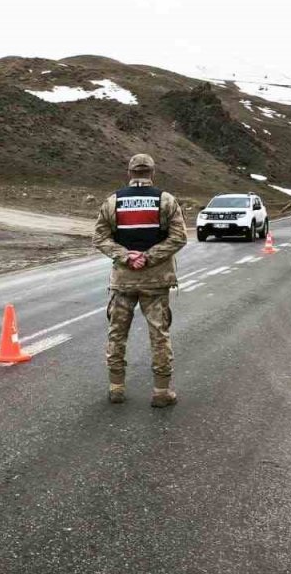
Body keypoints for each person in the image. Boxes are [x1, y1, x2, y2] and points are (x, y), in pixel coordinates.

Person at [92, 154, 188, 408]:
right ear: (152, 173)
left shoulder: (113, 201)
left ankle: (116, 388)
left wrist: (127, 256)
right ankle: (161, 392)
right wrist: (149, 257)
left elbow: (100, 238)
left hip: (123, 281)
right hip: (156, 281)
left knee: (117, 333)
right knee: (159, 335)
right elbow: (179, 237)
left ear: (129, 173)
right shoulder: (166, 200)